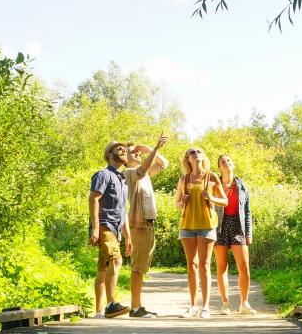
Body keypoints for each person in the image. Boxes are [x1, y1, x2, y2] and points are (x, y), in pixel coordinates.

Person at [88, 138, 164, 318]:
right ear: (109, 155)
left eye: (124, 148)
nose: (123, 150)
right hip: (104, 225)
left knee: (104, 266)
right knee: (116, 260)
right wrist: (96, 228)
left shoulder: (121, 178)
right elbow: (93, 199)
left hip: (115, 228)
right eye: (118, 149)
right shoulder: (103, 174)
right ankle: (111, 305)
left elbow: (122, 211)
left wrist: (128, 237)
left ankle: (99, 311)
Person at [175, 147, 228, 319]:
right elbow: (177, 203)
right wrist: (181, 201)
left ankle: (205, 306)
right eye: (192, 152)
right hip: (187, 225)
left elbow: (224, 201)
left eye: (199, 151)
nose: (195, 153)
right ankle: (193, 306)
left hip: (206, 225)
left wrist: (212, 198)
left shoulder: (211, 177)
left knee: (204, 265)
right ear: (187, 159)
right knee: (192, 265)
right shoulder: (184, 179)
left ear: (203, 156)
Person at [122, 134, 169, 318]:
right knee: (137, 267)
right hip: (139, 226)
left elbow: (164, 164)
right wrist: (156, 147)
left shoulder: (146, 173)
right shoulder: (129, 174)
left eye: (136, 151)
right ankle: (134, 308)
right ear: (125, 160)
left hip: (149, 225)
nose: (136, 154)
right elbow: (142, 170)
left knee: (142, 268)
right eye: (131, 153)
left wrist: (149, 149)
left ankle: (138, 306)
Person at [214, 155, 256, 315]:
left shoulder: (242, 186)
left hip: (238, 226)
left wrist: (248, 232)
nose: (226, 163)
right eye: (223, 162)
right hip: (220, 226)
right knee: (221, 266)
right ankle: (225, 304)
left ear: (233, 164)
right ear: (219, 167)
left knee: (244, 266)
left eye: (229, 161)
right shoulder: (213, 185)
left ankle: (244, 303)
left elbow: (248, 210)